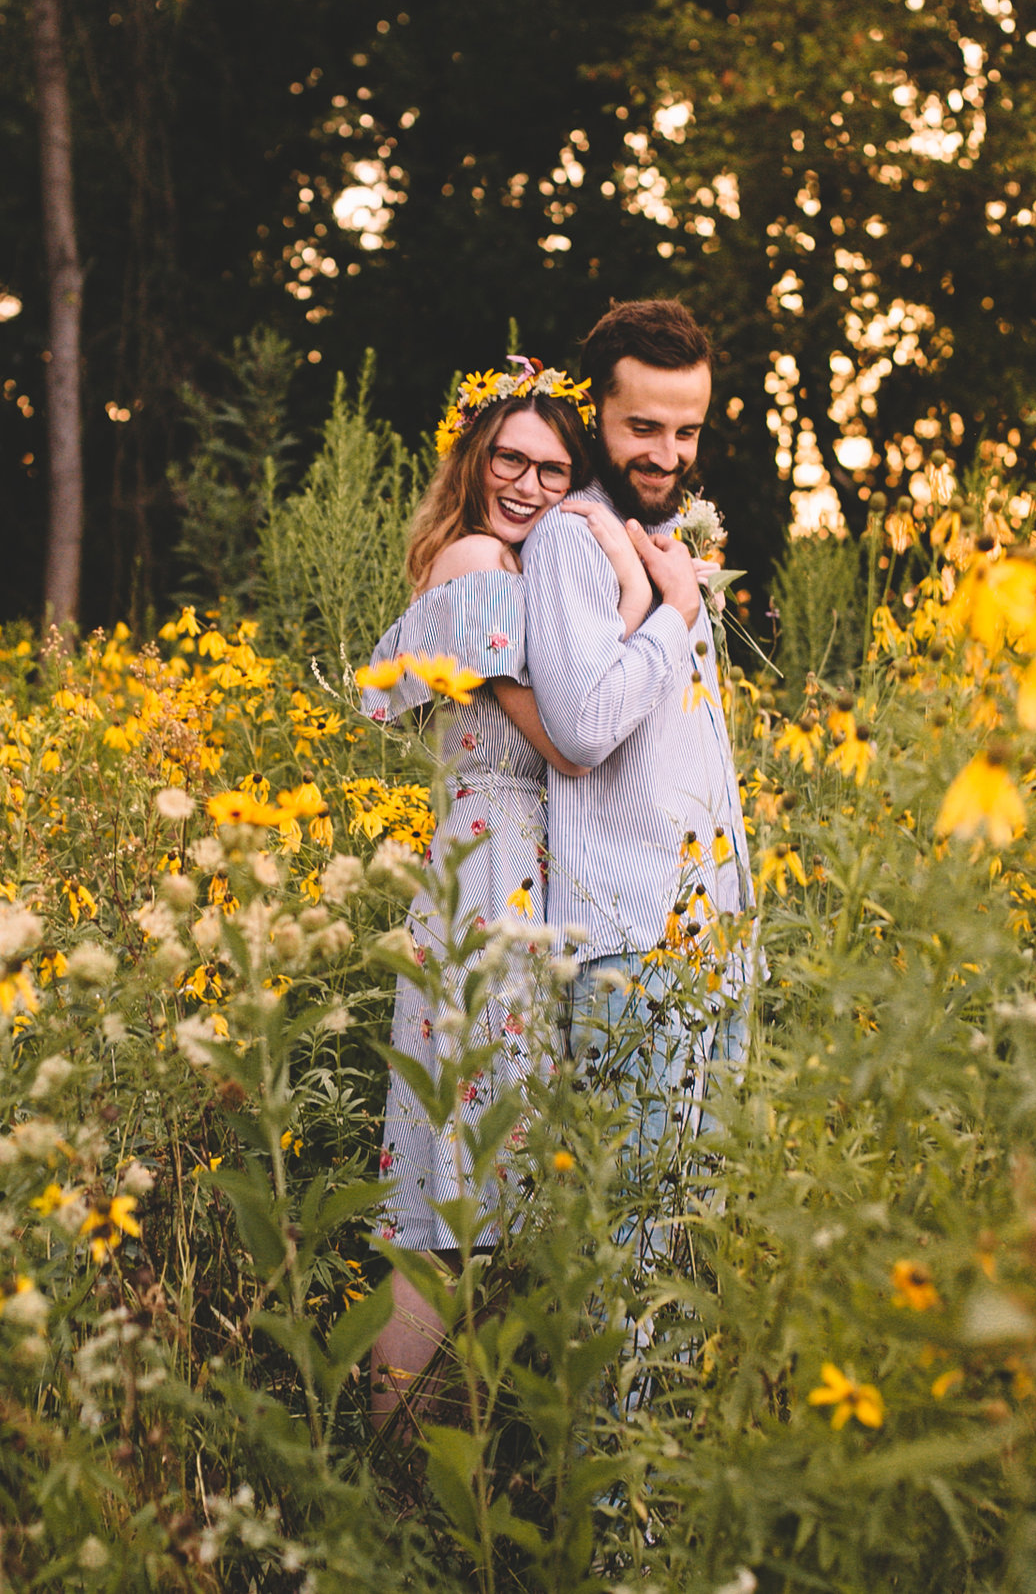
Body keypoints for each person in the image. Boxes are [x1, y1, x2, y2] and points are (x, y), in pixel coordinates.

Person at [357, 358, 655, 1428]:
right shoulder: (484, 560)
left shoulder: (478, 557)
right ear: (475, 458)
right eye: (511, 460)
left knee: (455, 1182)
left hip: (489, 862)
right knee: (457, 1194)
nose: (527, 485)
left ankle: (418, 1467)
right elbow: (566, 745)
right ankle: (399, 1463)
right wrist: (637, 578)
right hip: (497, 868)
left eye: (554, 470)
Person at [518, 300, 752, 1181]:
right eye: (643, 427)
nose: (667, 454)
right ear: (595, 419)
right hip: (632, 946)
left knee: (695, 1235)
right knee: (637, 1242)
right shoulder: (571, 543)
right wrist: (677, 613)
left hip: (707, 937)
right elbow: (579, 730)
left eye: (686, 431)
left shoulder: (653, 541)